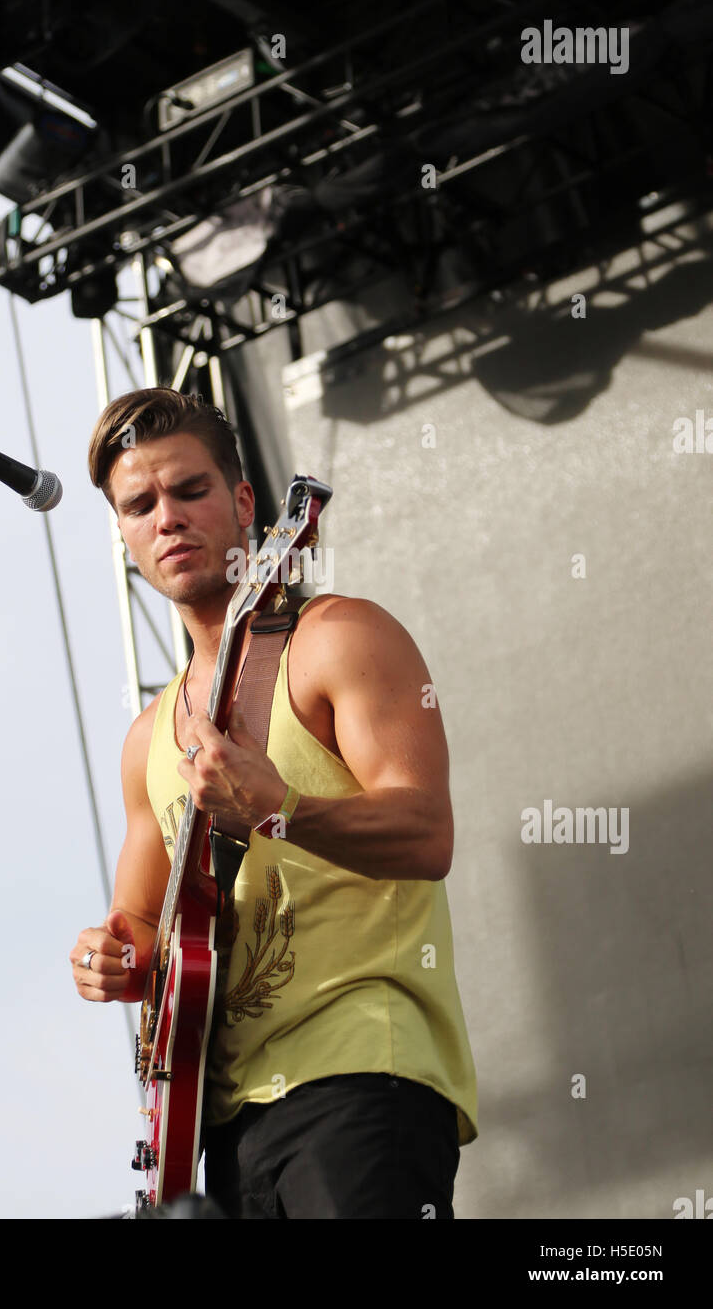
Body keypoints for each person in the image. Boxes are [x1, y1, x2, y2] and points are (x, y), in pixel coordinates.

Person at [70, 387, 478, 1219]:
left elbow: (426, 832)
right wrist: (107, 959)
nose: (168, 519)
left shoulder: (340, 637)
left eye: (191, 491)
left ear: (244, 502)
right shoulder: (144, 740)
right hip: (212, 1128)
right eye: (140, 505)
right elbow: (144, 929)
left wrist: (280, 807)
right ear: (122, 534)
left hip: (359, 1069)